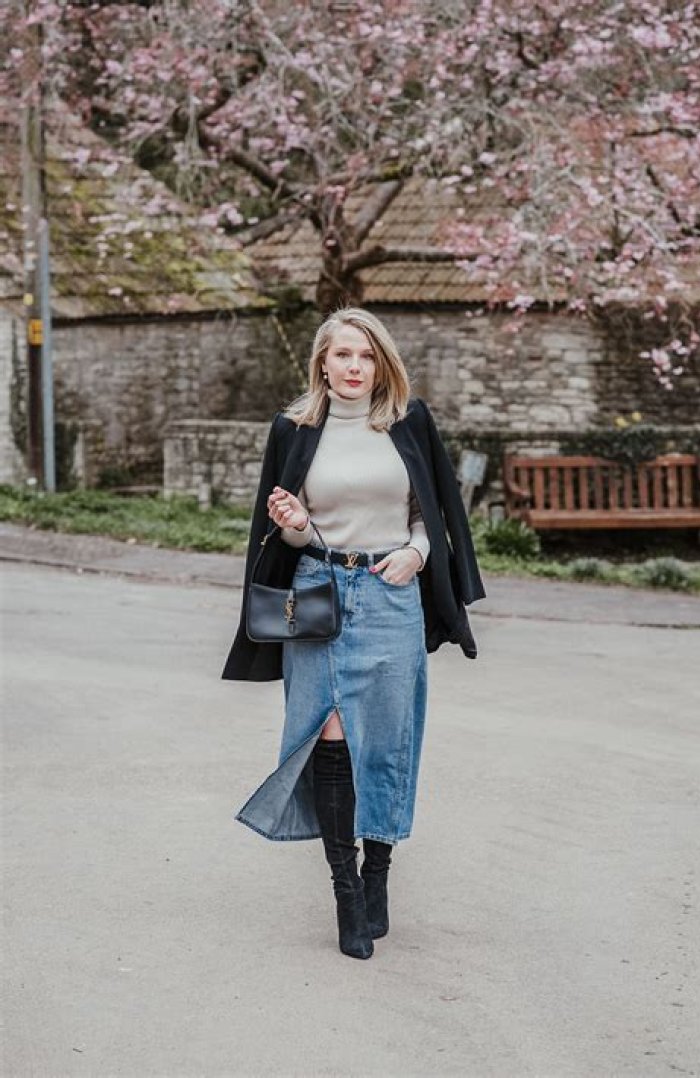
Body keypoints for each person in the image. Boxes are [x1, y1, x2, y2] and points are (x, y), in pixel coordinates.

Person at [222, 307, 485, 960]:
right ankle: (344, 891)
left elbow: (431, 512)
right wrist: (292, 522)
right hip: (319, 594)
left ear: (381, 363)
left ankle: (377, 875)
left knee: (387, 743)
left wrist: (417, 554)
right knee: (328, 734)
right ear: (322, 362)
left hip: (392, 595)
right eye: (342, 355)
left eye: (365, 356)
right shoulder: (294, 429)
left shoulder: (407, 422)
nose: (353, 367)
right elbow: (290, 532)